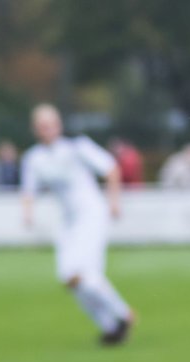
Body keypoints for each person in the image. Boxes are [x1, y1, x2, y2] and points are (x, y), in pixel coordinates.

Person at [21, 103, 135, 345]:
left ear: (59, 125)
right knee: (68, 278)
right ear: (35, 129)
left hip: (92, 214)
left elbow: (111, 168)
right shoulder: (34, 158)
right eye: (42, 126)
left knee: (87, 275)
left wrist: (114, 202)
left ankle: (121, 316)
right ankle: (111, 323)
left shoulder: (77, 148)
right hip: (68, 221)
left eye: (51, 124)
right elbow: (28, 190)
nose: (47, 130)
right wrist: (28, 213)